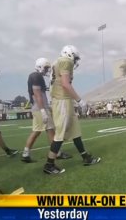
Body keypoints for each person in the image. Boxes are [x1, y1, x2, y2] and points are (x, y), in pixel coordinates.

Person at [44, 45, 100, 174]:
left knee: (75, 131)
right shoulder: (65, 61)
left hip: (64, 100)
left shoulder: (58, 62)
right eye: (75, 58)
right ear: (70, 55)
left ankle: (85, 157)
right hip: (61, 101)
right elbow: (65, 83)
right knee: (60, 134)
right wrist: (79, 100)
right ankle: (49, 165)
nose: (75, 61)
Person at [22, 58, 72, 163]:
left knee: (38, 131)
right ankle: (56, 153)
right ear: (39, 66)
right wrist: (43, 110)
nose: (46, 70)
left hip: (38, 108)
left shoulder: (36, 76)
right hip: (40, 108)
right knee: (50, 130)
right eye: (45, 67)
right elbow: (37, 94)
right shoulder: (36, 76)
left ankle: (26, 153)